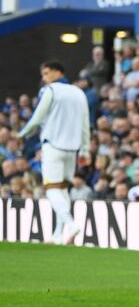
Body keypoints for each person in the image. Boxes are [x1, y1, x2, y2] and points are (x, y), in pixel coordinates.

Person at [16, 61, 90, 245]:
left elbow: (37, 118)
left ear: (58, 72)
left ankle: (71, 224)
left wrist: (21, 133)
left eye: (47, 72)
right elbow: (85, 123)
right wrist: (85, 148)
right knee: (63, 189)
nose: (44, 77)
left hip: (53, 147)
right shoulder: (79, 92)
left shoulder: (50, 90)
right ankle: (58, 235)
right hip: (72, 149)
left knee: (51, 191)